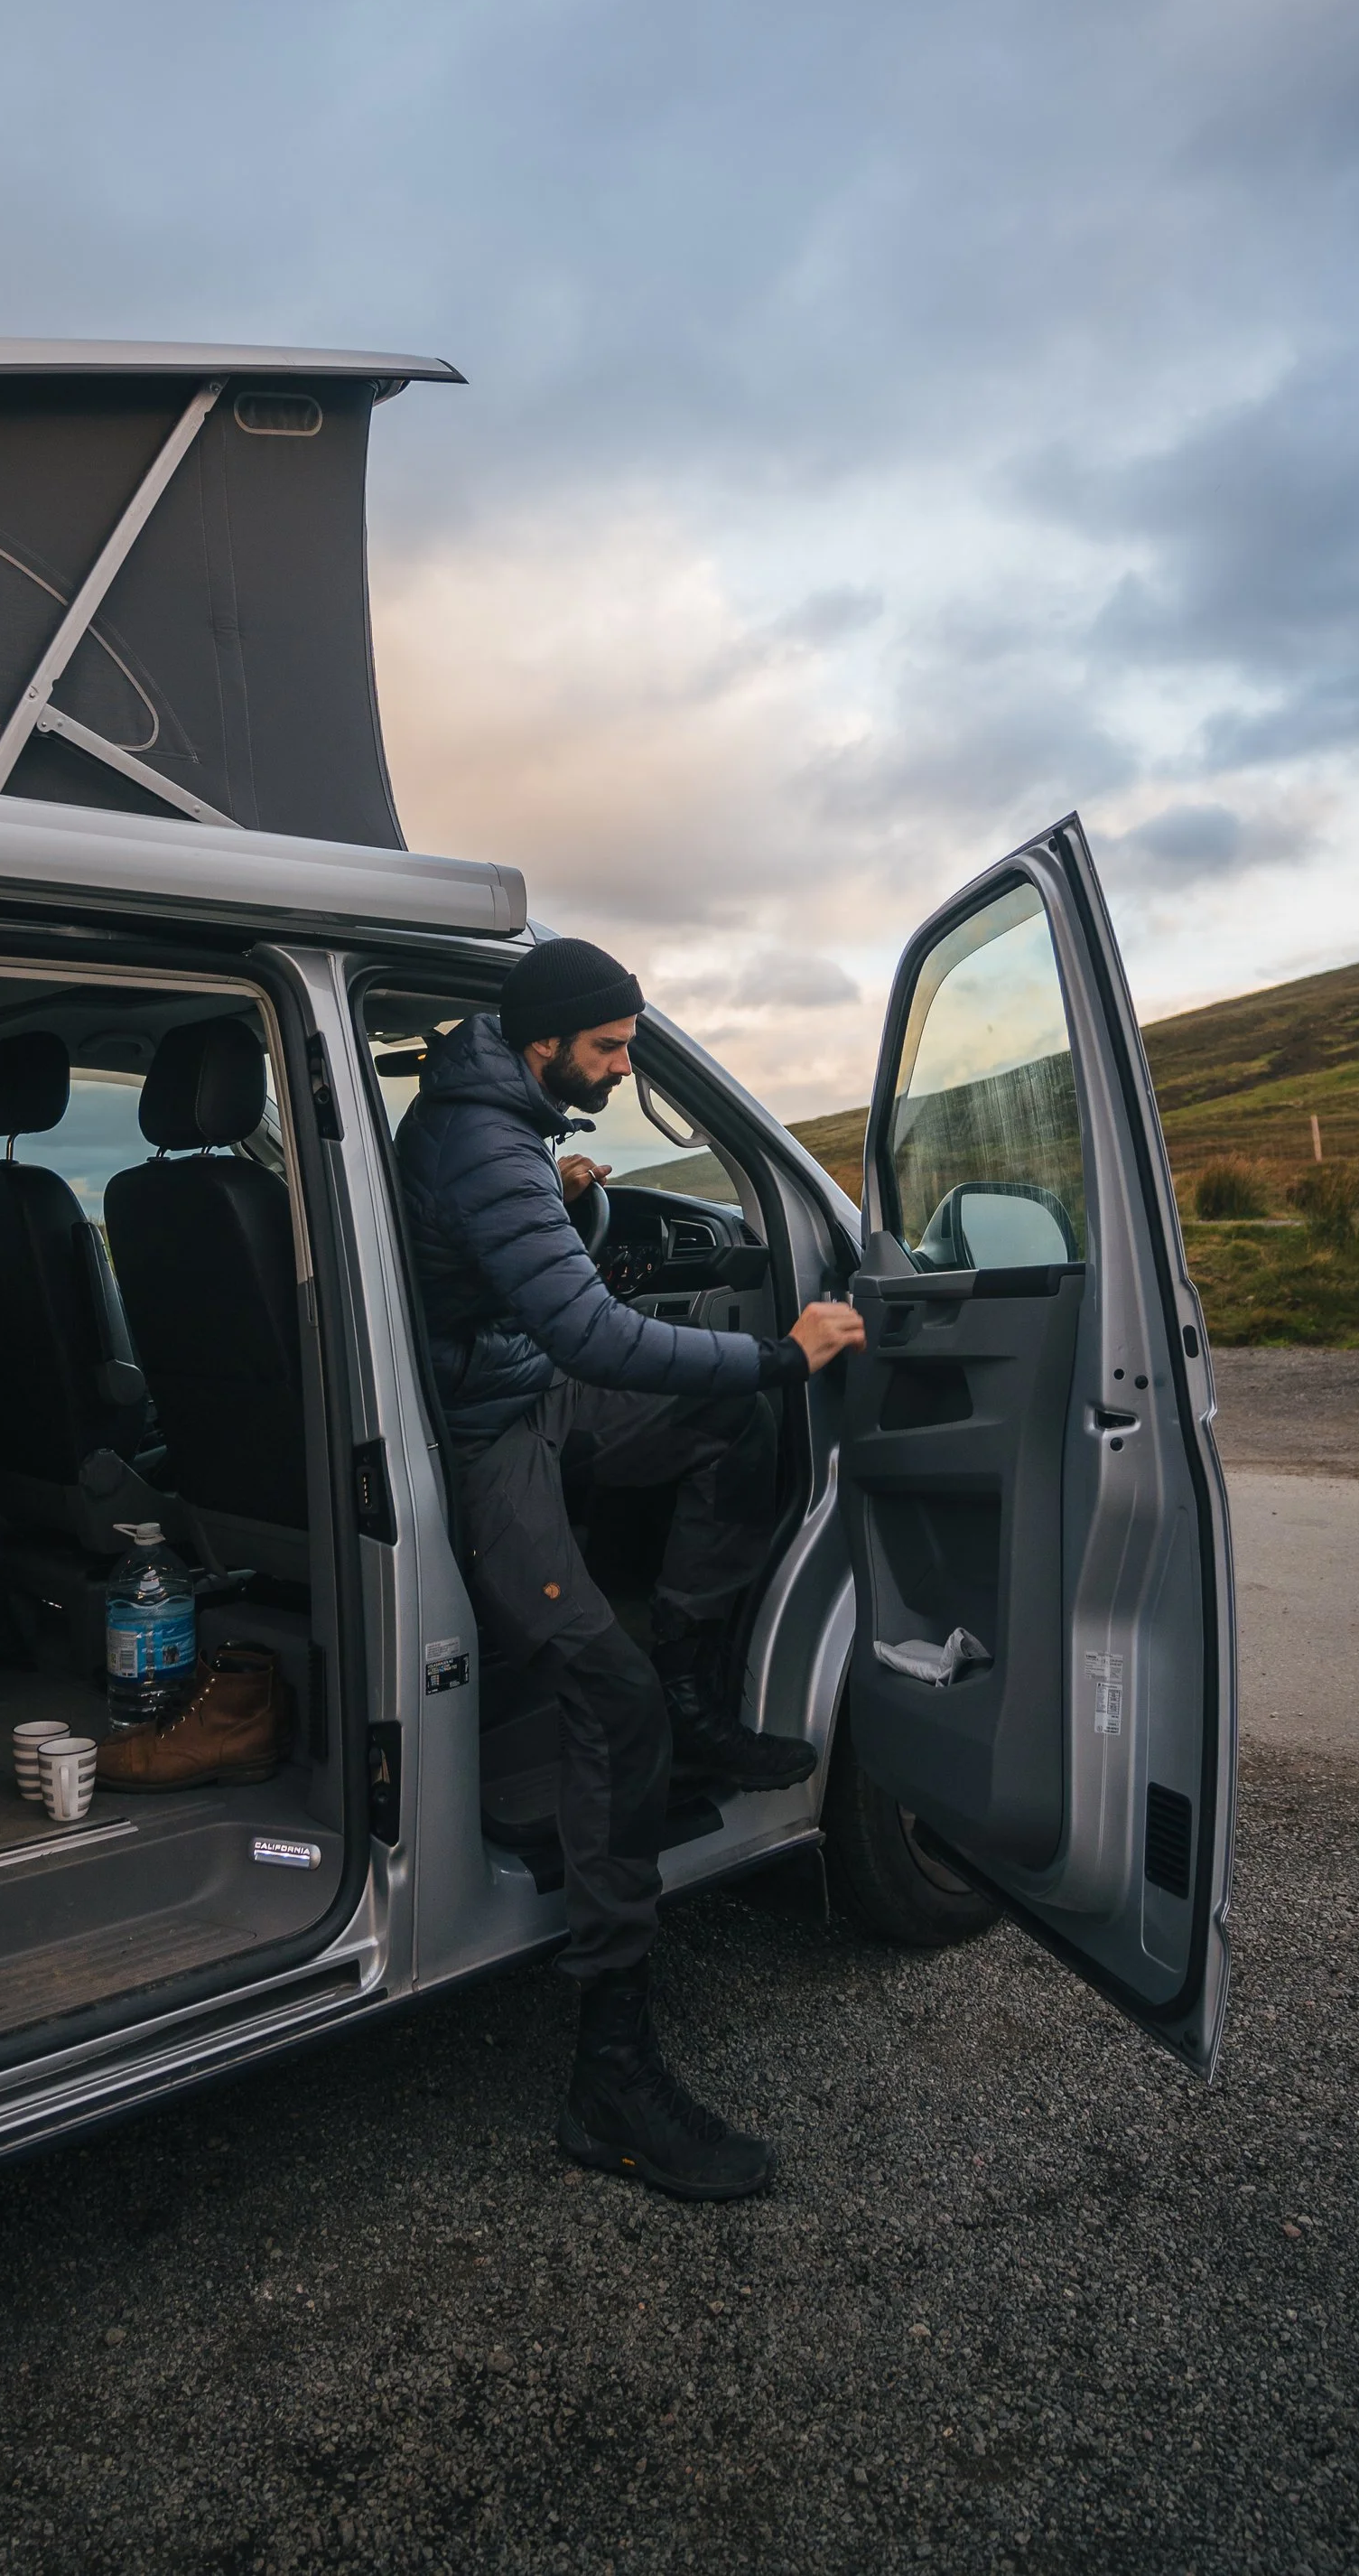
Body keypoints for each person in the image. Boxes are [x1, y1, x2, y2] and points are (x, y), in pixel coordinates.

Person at [394, 936, 863, 2199]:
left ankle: (701, 1691)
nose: (619, 1063)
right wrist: (784, 1351)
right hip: (485, 1437)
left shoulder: (502, 1120)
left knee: (728, 1428)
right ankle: (611, 2077)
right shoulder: (488, 1143)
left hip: (524, 1390)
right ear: (545, 1038)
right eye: (607, 1048)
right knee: (611, 1694)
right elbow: (591, 1329)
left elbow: (517, 1267)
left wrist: (581, 1199)